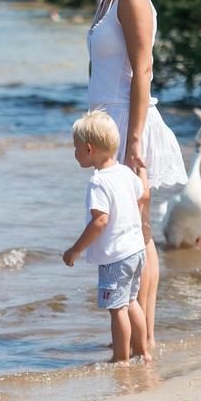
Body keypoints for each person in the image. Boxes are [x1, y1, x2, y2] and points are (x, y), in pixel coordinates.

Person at [69, 0, 188, 352]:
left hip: (128, 125)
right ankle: (135, 337)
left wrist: (134, 140)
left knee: (138, 233)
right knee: (123, 233)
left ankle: (147, 338)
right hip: (107, 126)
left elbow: (143, 71)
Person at [63, 110, 150, 363]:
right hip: (136, 251)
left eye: (76, 148)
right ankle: (143, 352)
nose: (75, 153)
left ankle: (121, 358)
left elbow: (100, 221)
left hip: (116, 257)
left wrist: (75, 250)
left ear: (89, 149)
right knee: (132, 302)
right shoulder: (124, 172)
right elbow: (142, 195)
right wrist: (142, 171)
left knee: (117, 309)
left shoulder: (98, 182)